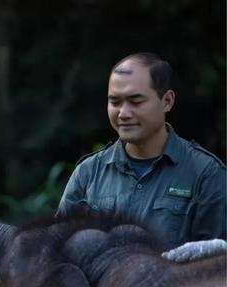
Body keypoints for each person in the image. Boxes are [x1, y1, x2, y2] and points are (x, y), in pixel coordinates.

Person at [58, 52, 226, 247]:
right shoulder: (88, 174)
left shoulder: (206, 174)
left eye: (136, 101)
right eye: (115, 102)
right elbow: (59, 254)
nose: (123, 113)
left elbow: (216, 267)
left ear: (167, 101)